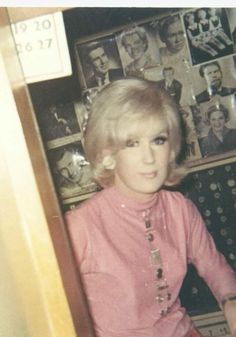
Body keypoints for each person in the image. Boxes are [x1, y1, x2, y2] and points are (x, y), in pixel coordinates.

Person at [65, 78, 236, 337]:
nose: (149, 158)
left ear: (170, 150)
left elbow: (213, 265)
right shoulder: (80, 226)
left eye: (158, 140)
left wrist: (231, 301)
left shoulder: (181, 209)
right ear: (107, 155)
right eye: (132, 143)